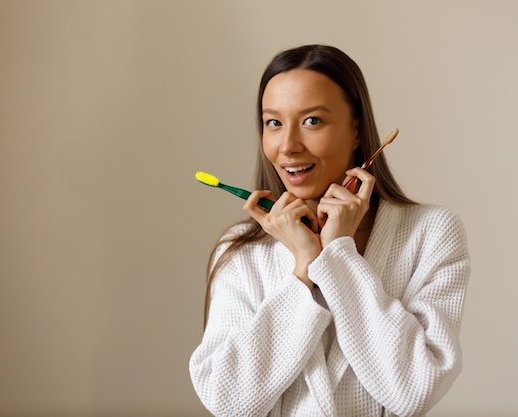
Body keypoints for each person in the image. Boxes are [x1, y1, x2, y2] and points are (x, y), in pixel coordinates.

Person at [189, 44, 470, 417]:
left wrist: (338, 254)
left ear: (356, 130)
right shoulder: (241, 251)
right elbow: (229, 401)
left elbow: (414, 390)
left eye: (312, 121)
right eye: (273, 122)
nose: (288, 146)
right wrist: (305, 265)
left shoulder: (430, 233)